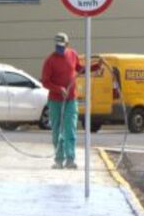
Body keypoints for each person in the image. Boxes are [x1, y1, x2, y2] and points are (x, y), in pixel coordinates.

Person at [41, 32, 101, 170]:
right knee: (57, 130)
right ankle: (58, 160)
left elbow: (80, 70)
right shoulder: (50, 60)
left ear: (67, 44)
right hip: (56, 101)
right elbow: (45, 81)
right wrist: (58, 89)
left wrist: (95, 66)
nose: (59, 48)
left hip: (70, 100)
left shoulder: (73, 54)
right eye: (57, 46)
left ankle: (70, 159)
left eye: (62, 46)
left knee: (70, 129)